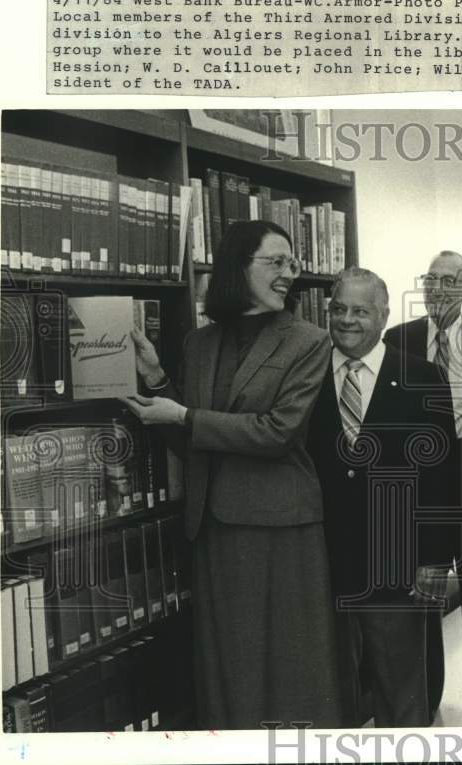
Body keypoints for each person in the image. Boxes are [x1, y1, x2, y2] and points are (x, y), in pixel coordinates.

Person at [123, 220, 341, 729]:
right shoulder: (199, 343)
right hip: (216, 530)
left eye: (292, 263)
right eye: (276, 262)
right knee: (228, 663)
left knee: (290, 665)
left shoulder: (308, 341)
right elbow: (191, 443)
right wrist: (158, 379)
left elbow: (277, 432)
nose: (289, 273)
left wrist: (182, 415)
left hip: (282, 529)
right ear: (237, 267)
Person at [309, 267, 457, 728]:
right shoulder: (306, 374)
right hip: (320, 564)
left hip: (394, 566)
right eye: (339, 309)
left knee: (401, 694)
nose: (347, 320)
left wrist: (435, 557)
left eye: (360, 311)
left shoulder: (421, 376)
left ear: (383, 315)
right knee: (331, 696)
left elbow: (442, 475)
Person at [383, 251, 462, 726]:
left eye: (448, 281)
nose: (436, 288)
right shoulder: (399, 340)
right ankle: (427, 697)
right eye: (430, 279)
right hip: (420, 487)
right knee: (423, 597)